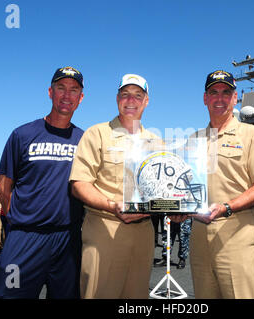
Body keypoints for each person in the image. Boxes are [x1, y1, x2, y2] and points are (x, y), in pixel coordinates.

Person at [0, 66, 85, 299]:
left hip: (68, 239)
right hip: (26, 236)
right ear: (50, 92)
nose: (66, 95)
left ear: (80, 98)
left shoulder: (84, 140)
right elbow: (4, 185)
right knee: (8, 295)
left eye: (74, 90)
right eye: (60, 88)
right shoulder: (23, 134)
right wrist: (18, 219)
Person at [188, 70, 254, 298]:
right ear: (205, 98)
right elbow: (186, 188)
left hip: (237, 234)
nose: (220, 98)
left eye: (226, 92)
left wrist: (226, 207)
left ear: (235, 98)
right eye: (213, 92)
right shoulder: (194, 140)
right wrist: (178, 209)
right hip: (199, 236)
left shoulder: (252, 135)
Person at [70, 74, 157, 298]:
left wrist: (178, 207)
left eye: (138, 95)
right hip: (104, 230)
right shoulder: (97, 134)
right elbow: (79, 184)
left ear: (146, 101)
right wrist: (112, 205)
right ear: (117, 98)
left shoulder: (157, 143)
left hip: (144, 235)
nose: (131, 100)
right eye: (125, 94)